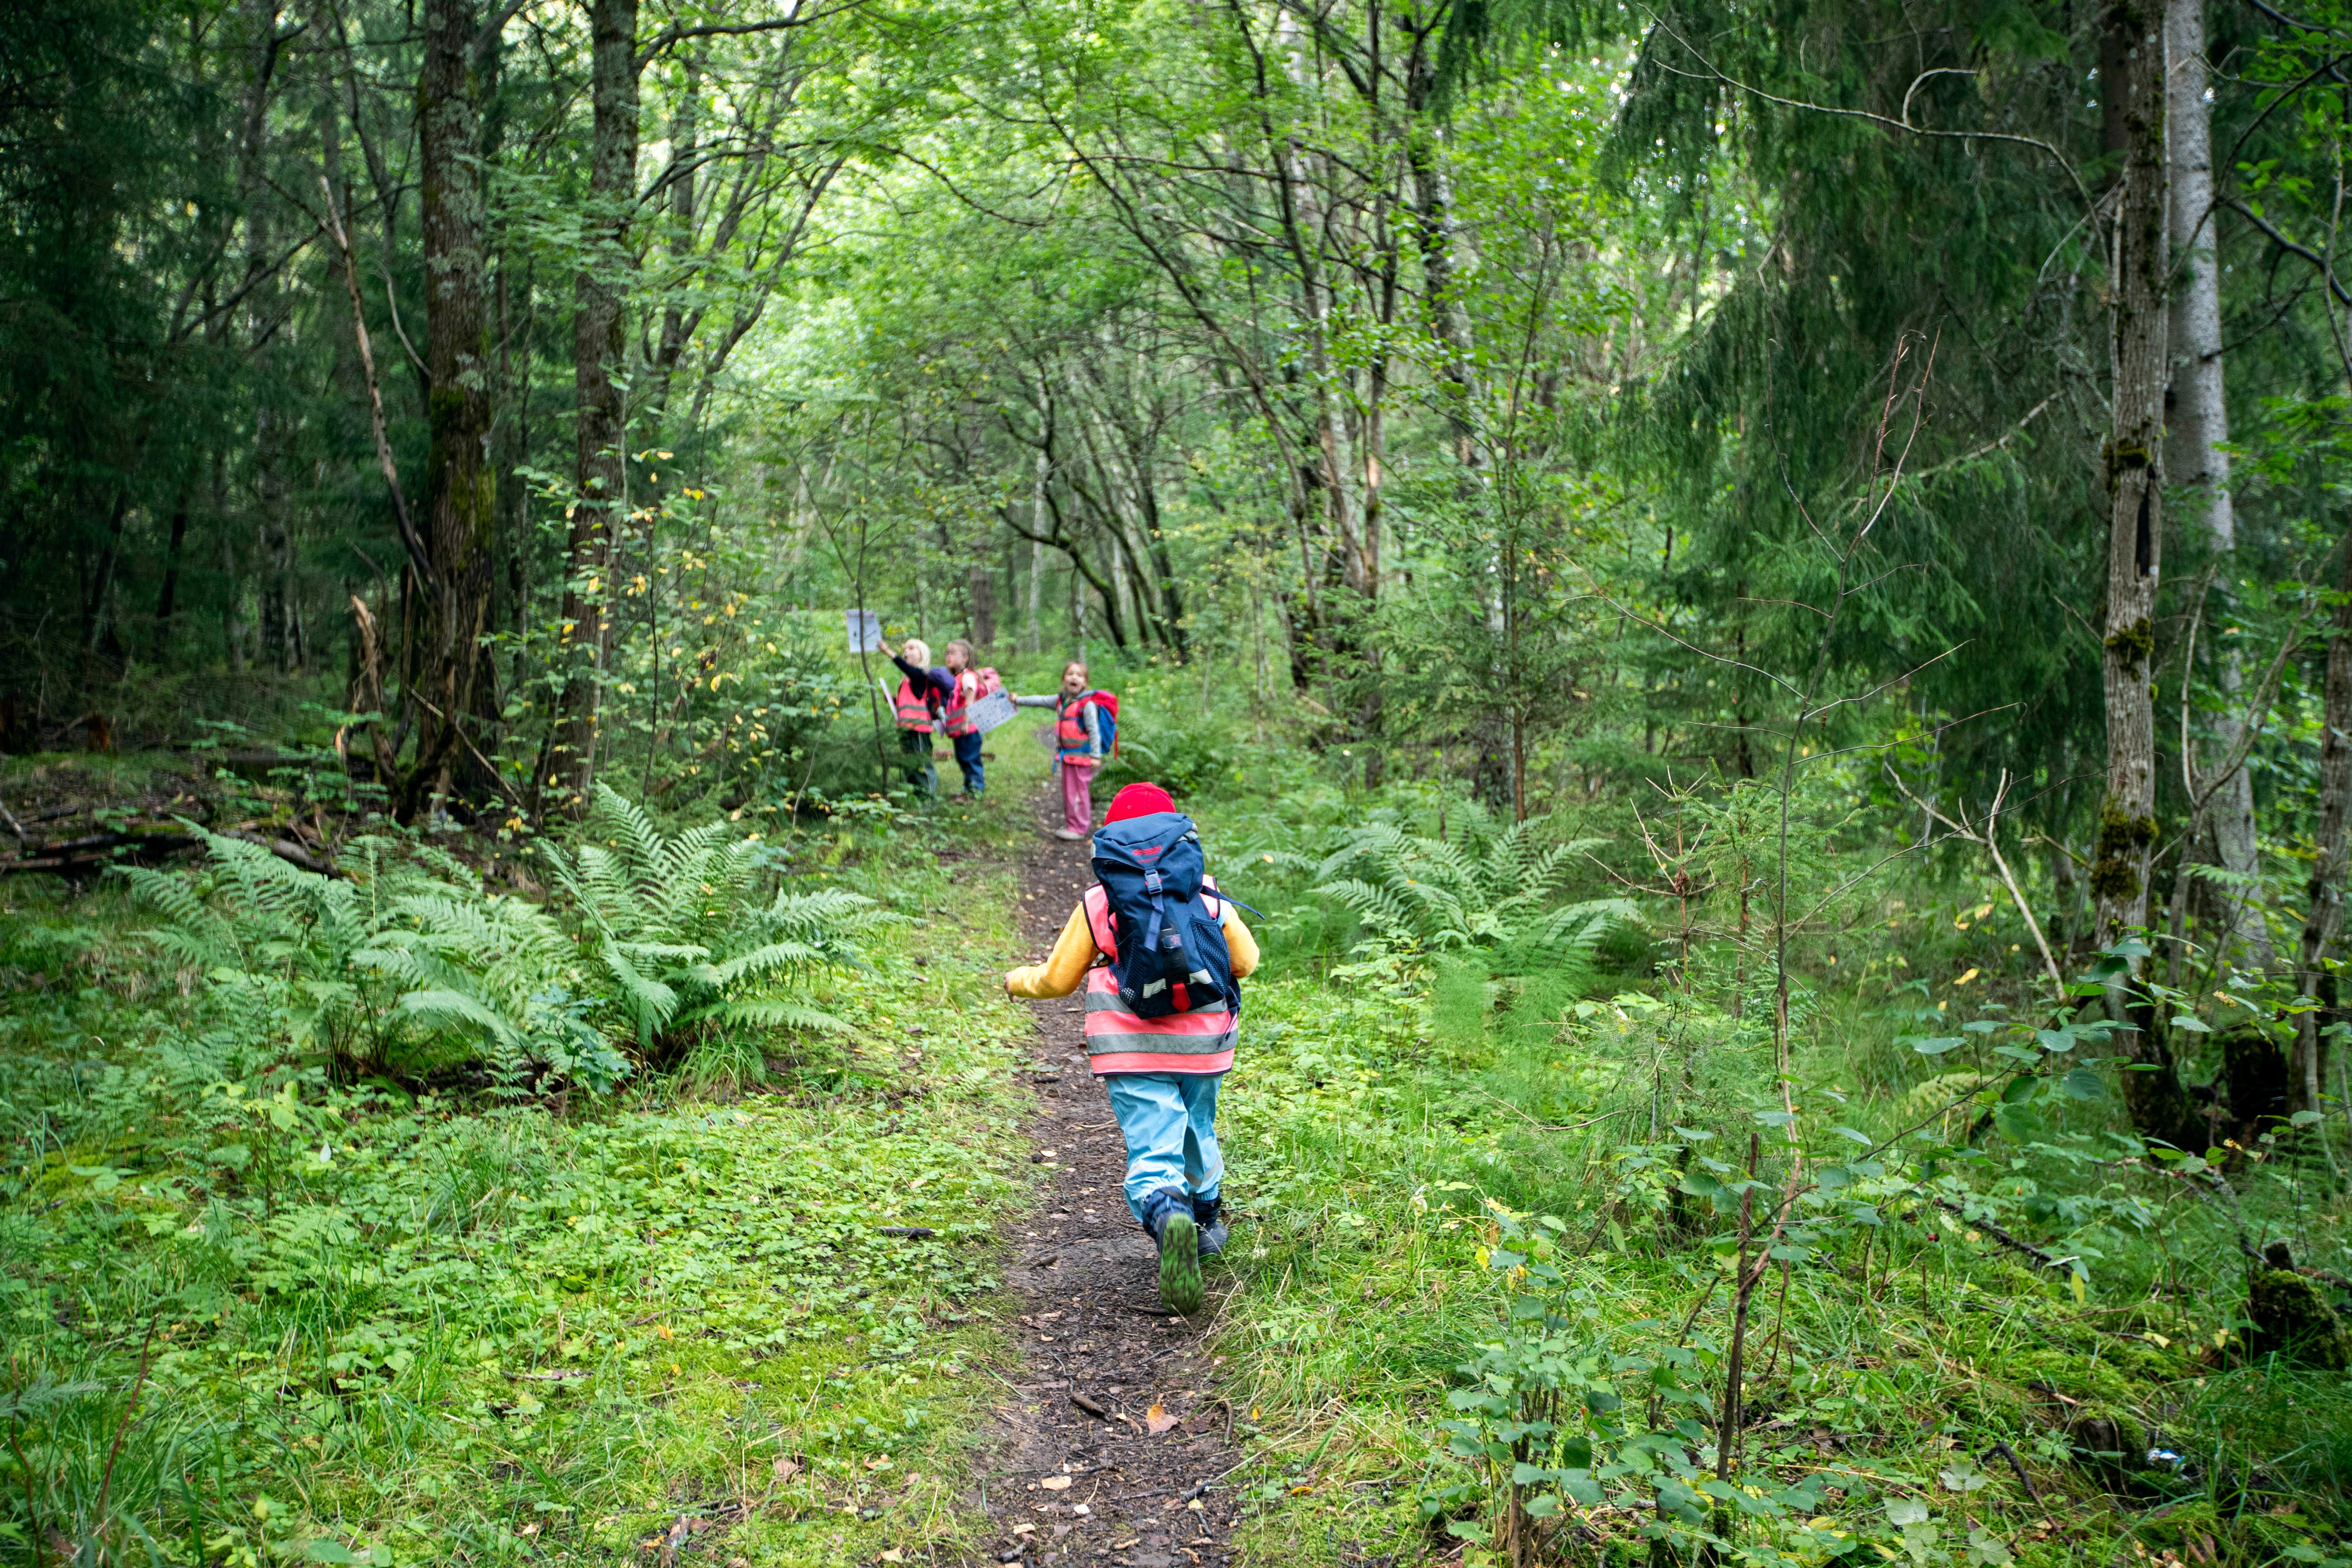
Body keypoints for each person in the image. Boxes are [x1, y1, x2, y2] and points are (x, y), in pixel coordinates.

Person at [1003, 782, 1259, 1316]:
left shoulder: (1101, 902)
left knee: (1152, 1140)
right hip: (1205, 1041)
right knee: (1198, 1123)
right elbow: (1245, 962)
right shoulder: (1206, 892)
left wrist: (1016, 980)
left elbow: (1056, 980)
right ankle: (1207, 1221)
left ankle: (1169, 1215)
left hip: (1130, 1045)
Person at [1013, 661, 1110, 839]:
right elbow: (1040, 701)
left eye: (1079, 675)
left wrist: (1096, 756)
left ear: (1085, 682)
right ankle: (1073, 826)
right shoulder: (1061, 700)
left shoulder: (1086, 705)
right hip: (1068, 757)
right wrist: (1018, 700)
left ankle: (1079, 829)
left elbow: (1094, 731)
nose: (1074, 677)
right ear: (1064, 679)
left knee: (1079, 793)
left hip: (1082, 758)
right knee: (1069, 793)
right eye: (1070, 674)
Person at [888, 639, 950, 799]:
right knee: (910, 766)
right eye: (905, 649)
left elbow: (906, 668)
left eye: (911, 648)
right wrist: (894, 700)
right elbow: (912, 700)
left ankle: (929, 801)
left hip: (919, 729)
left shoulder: (921, 675)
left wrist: (888, 651)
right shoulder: (906, 680)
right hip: (906, 728)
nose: (906, 651)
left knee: (922, 765)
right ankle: (919, 799)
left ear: (922, 654)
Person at [936, 639, 989, 798]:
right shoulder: (956, 679)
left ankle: (976, 791)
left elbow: (970, 697)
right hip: (960, 731)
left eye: (953, 653)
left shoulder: (968, 676)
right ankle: (968, 789)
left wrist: (965, 721)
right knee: (962, 759)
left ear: (965, 658)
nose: (948, 656)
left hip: (968, 729)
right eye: (947, 653)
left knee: (971, 759)